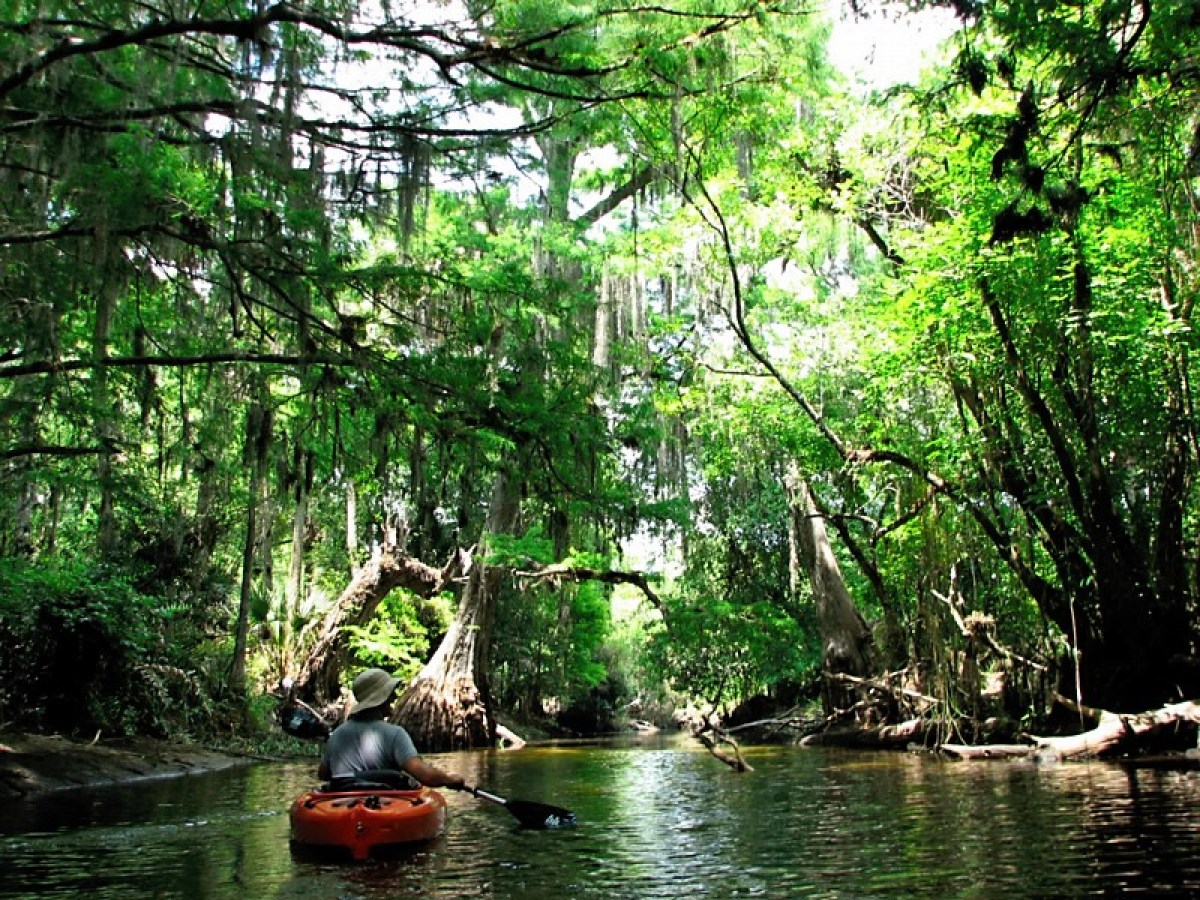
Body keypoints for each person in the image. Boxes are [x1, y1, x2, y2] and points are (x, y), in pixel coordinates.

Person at [318, 667, 465, 791]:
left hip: (342, 805)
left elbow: (323, 774)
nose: (394, 696)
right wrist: (450, 779)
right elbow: (426, 776)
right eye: (390, 694)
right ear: (382, 700)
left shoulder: (337, 734)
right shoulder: (395, 734)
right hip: (385, 807)